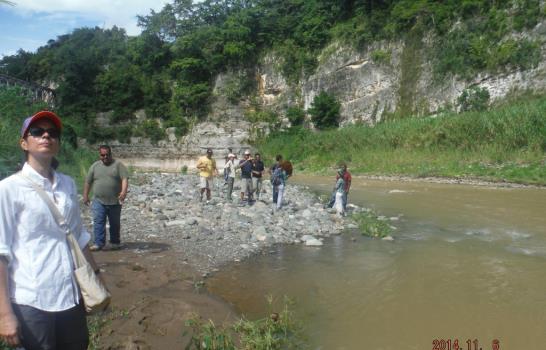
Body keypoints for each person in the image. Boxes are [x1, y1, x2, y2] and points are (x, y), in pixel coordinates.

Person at [0, 111, 102, 349]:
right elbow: (0, 253)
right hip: (32, 299)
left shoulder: (67, 184)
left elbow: (78, 236)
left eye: (52, 133)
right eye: (37, 132)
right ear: (24, 143)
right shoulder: (8, 189)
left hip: (70, 295)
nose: (46, 136)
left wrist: (97, 278)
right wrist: (5, 314)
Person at [83, 145, 129, 251]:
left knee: (115, 223)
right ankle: (98, 243)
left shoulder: (118, 165)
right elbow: (88, 181)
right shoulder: (95, 166)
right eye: (102, 155)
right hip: (98, 200)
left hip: (115, 201)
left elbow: (124, 179)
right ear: (100, 155)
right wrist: (85, 195)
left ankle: (115, 242)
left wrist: (123, 191)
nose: (105, 157)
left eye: (107, 154)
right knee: (98, 221)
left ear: (111, 154)